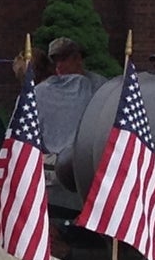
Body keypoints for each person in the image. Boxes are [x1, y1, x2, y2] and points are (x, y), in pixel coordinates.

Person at [33, 36, 105, 167]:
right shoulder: (46, 91)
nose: (59, 66)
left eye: (64, 60)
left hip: (86, 159)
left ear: (78, 59)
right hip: (52, 160)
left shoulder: (98, 86)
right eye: (55, 61)